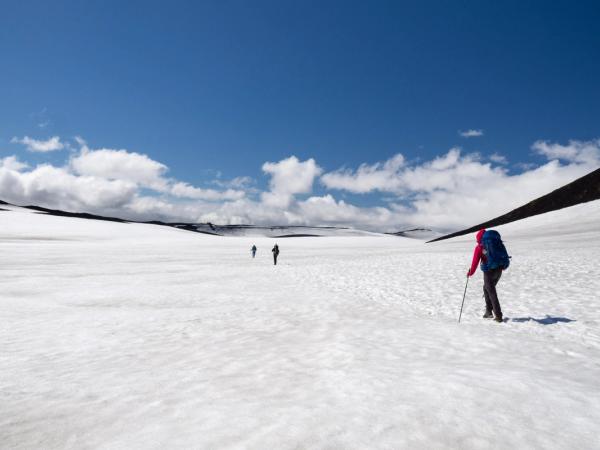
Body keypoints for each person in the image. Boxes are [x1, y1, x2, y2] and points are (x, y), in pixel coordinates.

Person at [467, 228, 504, 322]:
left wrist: (470, 272)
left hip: (488, 271)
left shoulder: (479, 247)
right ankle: (488, 311)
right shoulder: (496, 243)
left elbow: (475, 262)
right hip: (499, 270)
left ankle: (498, 315)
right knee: (486, 288)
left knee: (491, 292)